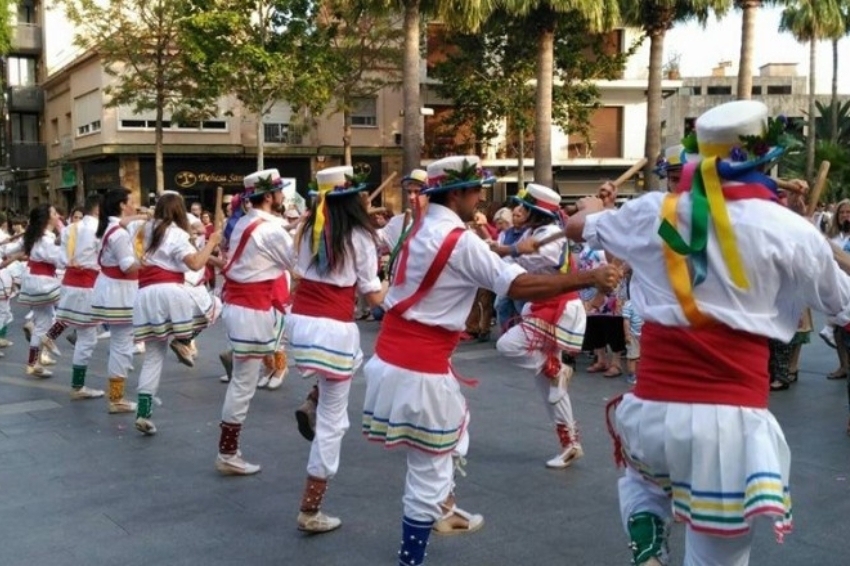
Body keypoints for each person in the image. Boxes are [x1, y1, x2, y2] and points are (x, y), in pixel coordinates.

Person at [565, 100, 850, 566]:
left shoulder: (654, 211)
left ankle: (648, 534)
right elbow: (843, 305)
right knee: (718, 554)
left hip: (651, 409)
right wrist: (823, 252)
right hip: (729, 421)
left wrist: (598, 205)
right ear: (767, 160)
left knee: (642, 479)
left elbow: (578, 226)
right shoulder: (790, 232)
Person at [361, 155, 621, 566]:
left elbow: (489, 255)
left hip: (395, 356)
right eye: (477, 189)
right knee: (427, 468)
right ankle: (411, 556)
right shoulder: (458, 240)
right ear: (459, 193)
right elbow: (516, 283)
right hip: (421, 367)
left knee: (448, 440)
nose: (482, 196)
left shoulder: (421, 227)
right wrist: (588, 278)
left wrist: (515, 246)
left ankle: (444, 509)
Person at [287, 165, 383, 533]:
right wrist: (396, 286)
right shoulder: (360, 236)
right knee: (334, 421)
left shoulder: (307, 228)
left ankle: (312, 397)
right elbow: (372, 295)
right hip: (334, 328)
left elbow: (299, 272)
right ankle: (310, 510)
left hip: (301, 323)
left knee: (342, 371)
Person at [495, 183, 588, 469]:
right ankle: (570, 443)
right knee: (549, 387)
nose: (518, 211)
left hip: (559, 308)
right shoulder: (533, 233)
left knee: (507, 345)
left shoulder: (549, 234)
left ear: (537, 212)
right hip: (544, 305)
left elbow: (534, 257)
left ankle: (558, 368)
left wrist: (505, 250)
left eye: (525, 207)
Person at [215, 169, 295, 474]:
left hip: (241, 306)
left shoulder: (246, 222)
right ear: (269, 196)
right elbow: (297, 265)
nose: (283, 196)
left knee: (243, 382)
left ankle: (228, 451)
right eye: (279, 192)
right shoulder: (270, 230)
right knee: (243, 385)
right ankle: (227, 453)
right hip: (251, 309)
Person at [133, 193, 221, 435]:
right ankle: (183, 340)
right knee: (214, 307)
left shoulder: (144, 229)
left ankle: (143, 412)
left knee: (153, 356)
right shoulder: (176, 234)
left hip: (145, 294)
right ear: (180, 211)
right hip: (170, 292)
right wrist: (212, 242)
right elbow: (194, 264)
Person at [91, 188, 143, 414]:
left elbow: (129, 222)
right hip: (120, 291)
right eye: (131, 201)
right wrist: (151, 262)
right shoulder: (118, 232)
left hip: (114, 288)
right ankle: (116, 398)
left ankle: (116, 395)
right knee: (122, 344)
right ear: (122, 205)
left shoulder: (111, 227)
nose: (135, 205)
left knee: (121, 343)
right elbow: (127, 265)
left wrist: (142, 216)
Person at [50, 194, 106, 399]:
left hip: (69, 283)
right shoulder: (98, 228)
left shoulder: (69, 228)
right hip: (88, 285)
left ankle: (49, 337)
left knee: (83, 333)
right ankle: (79, 386)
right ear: (98, 209)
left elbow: (61, 257)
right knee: (88, 337)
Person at [18, 204, 63, 377]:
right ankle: (50, 337)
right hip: (44, 283)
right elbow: (59, 259)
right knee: (70, 310)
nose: (57, 215)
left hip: (36, 282)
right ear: (47, 218)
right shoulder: (45, 239)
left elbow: (12, 249)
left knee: (42, 323)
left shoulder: (36, 236)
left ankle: (33, 364)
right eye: (53, 213)